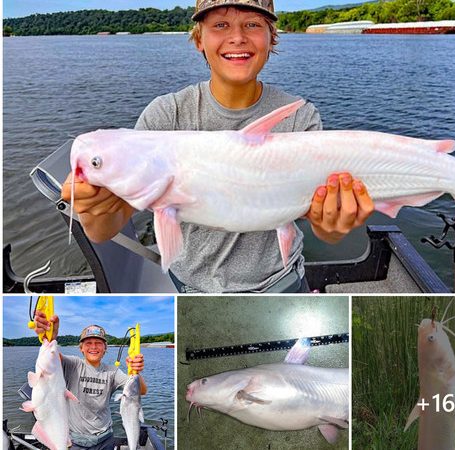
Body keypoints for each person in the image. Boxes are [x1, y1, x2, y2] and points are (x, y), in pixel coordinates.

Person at [61, 0, 374, 293]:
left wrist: (336, 222)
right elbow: (104, 230)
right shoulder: (166, 116)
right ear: (199, 39)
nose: (237, 38)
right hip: (192, 290)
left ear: (271, 38)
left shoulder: (299, 117)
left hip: (283, 284)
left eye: (252, 25)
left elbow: (326, 229)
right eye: (220, 26)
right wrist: (92, 210)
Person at [33, 311, 147, 450]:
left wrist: (136, 372)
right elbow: (50, 357)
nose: (93, 347)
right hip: (76, 441)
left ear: (105, 348)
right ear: (81, 348)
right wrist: (50, 336)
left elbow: (141, 391)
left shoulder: (113, 372)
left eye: (98, 343)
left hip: (105, 438)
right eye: (88, 343)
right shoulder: (73, 364)